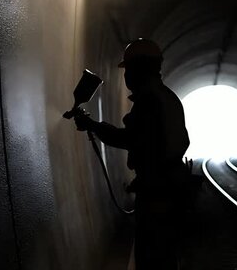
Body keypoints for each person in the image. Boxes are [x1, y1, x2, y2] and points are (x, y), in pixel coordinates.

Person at [73, 38, 191, 269]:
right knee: (166, 258)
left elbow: (129, 138)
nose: (126, 75)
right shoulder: (168, 97)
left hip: (157, 195)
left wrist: (93, 126)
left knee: (151, 259)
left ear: (139, 68)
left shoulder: (149, 101)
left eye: (128, 69)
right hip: (172, 191)